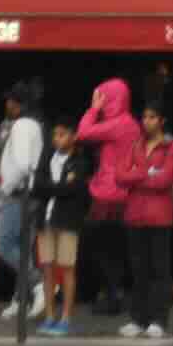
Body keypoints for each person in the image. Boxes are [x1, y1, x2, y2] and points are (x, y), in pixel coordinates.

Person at [74, 76, 140, 323]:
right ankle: (117, 293)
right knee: (117, 249)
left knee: (100, 246)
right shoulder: (131, 123)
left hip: (108, 195)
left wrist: (93, 109)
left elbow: (82, 133)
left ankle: (113, 294)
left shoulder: (117, 124)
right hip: (124, 194)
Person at [121, 102, 173, 340]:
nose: (147, 121)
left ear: (162, 121)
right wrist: (146, 173)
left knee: (159, 270)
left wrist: (137, 175)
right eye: (144, 117)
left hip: (159, 216)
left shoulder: (171, 146)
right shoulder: (135, 144)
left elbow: (165, 179)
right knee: (138, 270)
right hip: (135, 215)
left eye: (152, 117)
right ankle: (138, 319)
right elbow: (120, 175)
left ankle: (158, 320)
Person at [27, 116, 91, 335]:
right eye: (55, 134)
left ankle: (66, 317)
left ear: (73, 136)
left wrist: (52, 187)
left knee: (67, 268)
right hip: (45, 220)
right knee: (47, 268)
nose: (57, 139)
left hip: (67, 221)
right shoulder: (47, 158)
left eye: (62, 134)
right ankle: (49, 316)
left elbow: (72, 190)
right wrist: (58, 186)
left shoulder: (80, 162)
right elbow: (37, 186)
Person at [0, 85, 43, 319]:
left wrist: (8, 187)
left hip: (19, 193)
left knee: (3, 245)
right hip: (31, 194)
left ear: (19, 104)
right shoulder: (35, 125)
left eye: (11, 101)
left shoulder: (21, 125)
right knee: (23, 249)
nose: (7, 105)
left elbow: (22, 164)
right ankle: (21, 298)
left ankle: (38, 283)